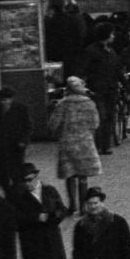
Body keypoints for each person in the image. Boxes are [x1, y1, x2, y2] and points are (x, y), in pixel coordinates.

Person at [10, 162, 69, 259]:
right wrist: (36, 217)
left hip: (52, 241)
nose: (28, 183)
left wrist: (56, 216)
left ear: (37, 177)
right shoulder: (18, 197)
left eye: (31, 179)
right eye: (25, 181)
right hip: (32, 244)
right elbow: (15, 218)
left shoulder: (49, 191)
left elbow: (63, 208)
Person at [49, 76, 102, 213]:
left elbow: (53, 124)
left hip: (68, 143)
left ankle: (72, 205)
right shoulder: (89, 103)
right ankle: (84, 207)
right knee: (83, 175)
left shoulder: (62, 104)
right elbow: (95, 123)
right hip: (85, 142)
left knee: (70, 174)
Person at [79, 26, 121, 155]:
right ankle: (98, 145)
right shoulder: (91, 51)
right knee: (100, 117)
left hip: (111, 89)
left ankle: (106, 145)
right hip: (97, 90)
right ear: (105, 36)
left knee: (110, 117)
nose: (113, 36)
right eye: (111, 34)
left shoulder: (111, 51)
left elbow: (116, 69)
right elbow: (82, 69)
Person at [0, 86, 32, 192]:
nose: (3, 102)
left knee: (17, 169)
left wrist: (23, 140)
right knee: (3, 170)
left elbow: (28, 126)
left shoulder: (21, 108)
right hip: (1, 144)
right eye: (1, 100)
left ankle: (17, 191)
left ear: (11, 99)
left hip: (16, 144)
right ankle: (7, 191)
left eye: (5, 100)